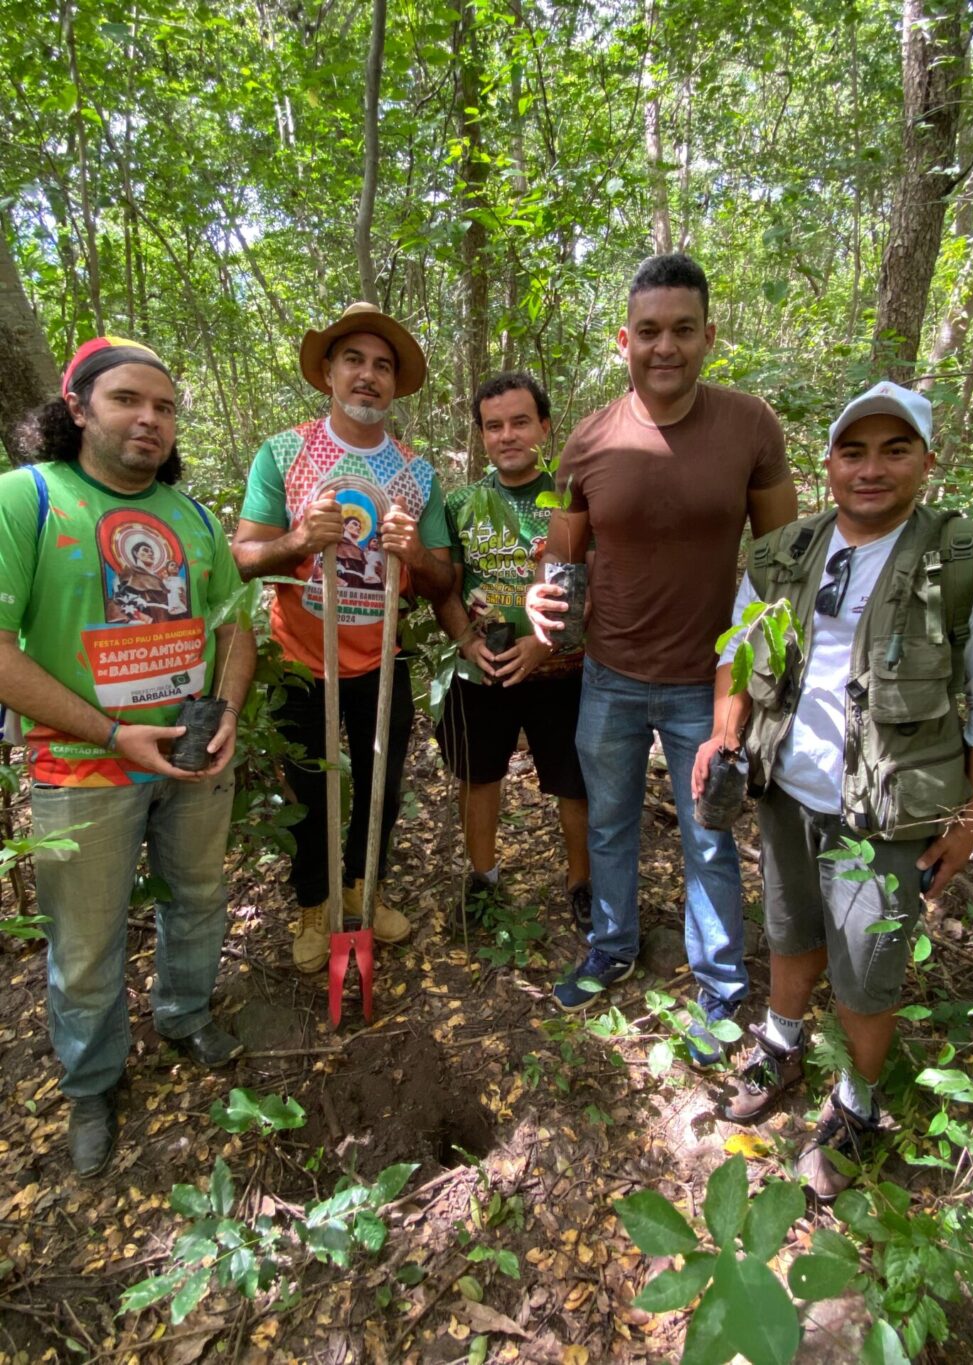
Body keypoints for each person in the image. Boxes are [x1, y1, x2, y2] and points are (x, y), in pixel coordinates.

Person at [693, 381, 973, 1199]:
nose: (871, 469)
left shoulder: (969, 558)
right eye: (854, 450)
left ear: (926, 460)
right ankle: (780, 1040)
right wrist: (722, 728)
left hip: (886, 810)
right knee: (789, 928)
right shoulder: (786, 551)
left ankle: (856, 1102)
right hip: (788, 789)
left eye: (894, 449)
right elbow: (736, 646)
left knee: (867, 969)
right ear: (830, 462)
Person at [526, 253, 797, 1054]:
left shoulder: (751, 426)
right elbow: (560, 558)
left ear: (709, 336)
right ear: (625, 340)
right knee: (609, 824)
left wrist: (758, 678)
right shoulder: (591, 438)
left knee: (707, 833)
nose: (665, 346)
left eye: (683, 330)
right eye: (649, 331)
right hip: (608, 673)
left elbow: (781, 564)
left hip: (707, 685)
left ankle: (718, 987)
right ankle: (611, 948)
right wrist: (542, 596)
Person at [0, 335, 256, 1178]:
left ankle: (184, 1015)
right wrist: (112, 732)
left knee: (201, 894)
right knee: (84, 939)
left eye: (165, 406)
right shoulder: (26, 499)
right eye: (127, 400)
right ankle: (92, 1080)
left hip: (188, 751)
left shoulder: (193, 517)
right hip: (84, 765)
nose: (150, 419)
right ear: (76, 406)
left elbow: (235, 629)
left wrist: (227, 716)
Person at [233, 302, 453, 971]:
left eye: (382, 365)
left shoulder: (417, 473)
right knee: (307, 789)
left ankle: (364, 888)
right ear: (327, 373)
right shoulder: (285, 452)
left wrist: (415, 555)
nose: (368, 376)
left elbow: (444, 579)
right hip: (300, 659)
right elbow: (243, 555)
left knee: (380, 787)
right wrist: (300, 539)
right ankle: (313, 903)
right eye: (353, 360)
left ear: (395, 384)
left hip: (380, 659)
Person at [435, 372, 591, 928]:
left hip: (560, 669)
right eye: (494, 426)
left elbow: (591, 583)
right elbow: (446, 585)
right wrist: (464, 641)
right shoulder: (461, 503)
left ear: (544, 428)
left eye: (521, 422)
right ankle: (482, 879)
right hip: (485, 668)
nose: (508, 436)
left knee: (574, 780)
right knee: (479, 775)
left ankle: (582, 883)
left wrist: (544, 646)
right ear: (481, 435)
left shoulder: (572, 498)